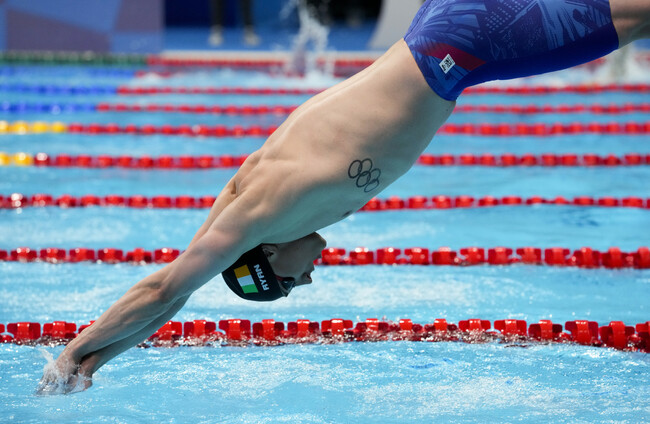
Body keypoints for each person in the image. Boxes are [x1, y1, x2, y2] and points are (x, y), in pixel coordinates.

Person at [37, 0, 648, 394]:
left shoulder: (265, 209)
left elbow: (163, 287)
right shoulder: (255, 205)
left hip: (462, 43)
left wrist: (68, 356)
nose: (308, 280)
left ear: (269, 255)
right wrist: (97, 363)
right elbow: (177, 298)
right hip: (445, 32)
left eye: (289, 283)